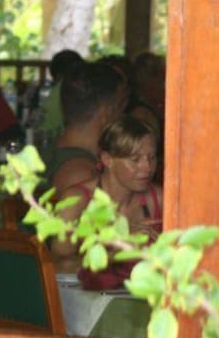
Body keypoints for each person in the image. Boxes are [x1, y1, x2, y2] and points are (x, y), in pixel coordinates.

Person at [52, 115, 161, 275]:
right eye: (135, 159)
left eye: (151, 157)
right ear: (107, 159)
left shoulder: (158, 199)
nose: (147, 167)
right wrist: (117, 252)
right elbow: (59, 267)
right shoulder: (77, 202)